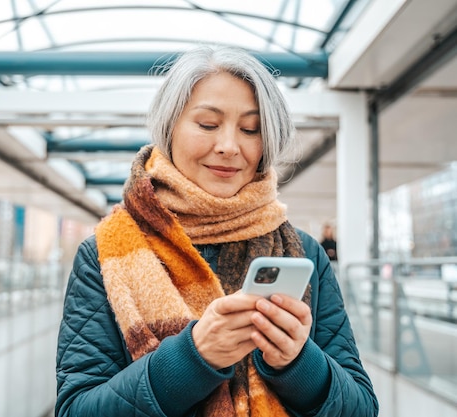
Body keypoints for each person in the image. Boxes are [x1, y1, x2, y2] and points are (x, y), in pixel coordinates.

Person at [55, 45, 378, 417]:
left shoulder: (303, 252)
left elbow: (362, 408)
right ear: (169, 127)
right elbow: (76, 409)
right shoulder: (102, 254)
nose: (228, 146)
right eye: (207, 124)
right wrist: (192, 358)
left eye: (250, 129)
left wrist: (299, 362)